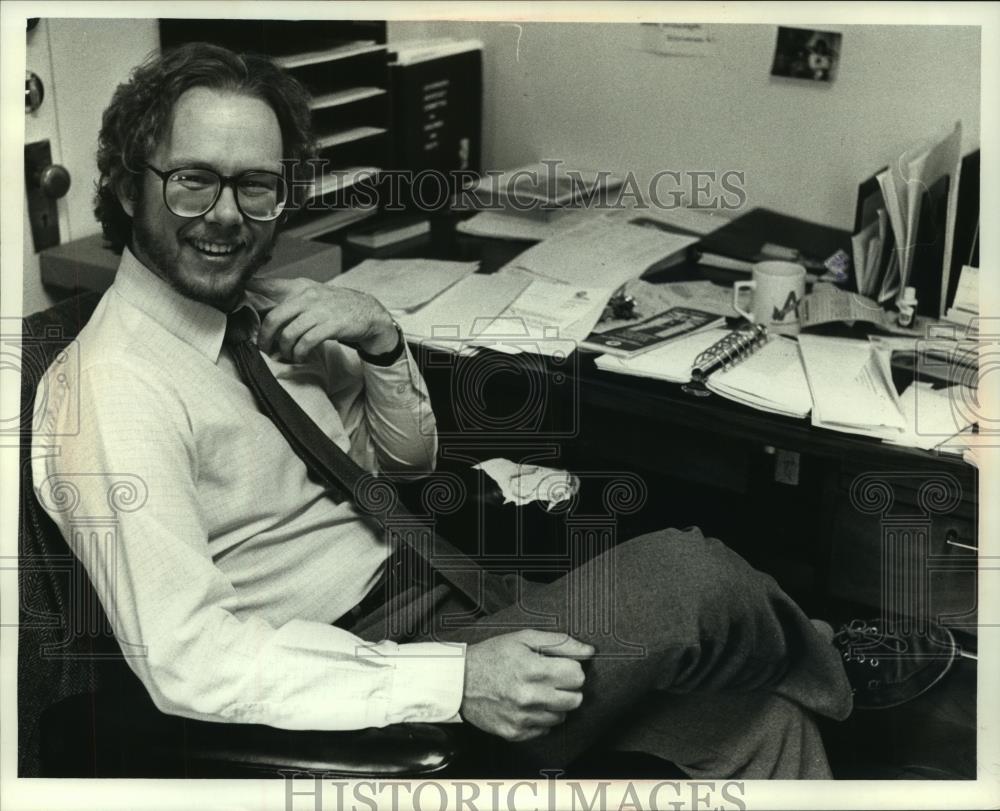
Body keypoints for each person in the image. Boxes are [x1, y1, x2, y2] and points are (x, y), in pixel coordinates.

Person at [33, 42, 855, 779]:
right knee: (690, 569)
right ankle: (834, 659)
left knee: (766, 730)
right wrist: (457, 680)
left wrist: (385, 344)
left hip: (444, 594)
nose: (225, 215)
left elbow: (402, 469)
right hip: (361, 680)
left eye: (257, 186)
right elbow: (191, 662)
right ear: (125, 185)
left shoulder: (262, 316)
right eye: (192, 181)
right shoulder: (111, 391)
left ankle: (800, 671)